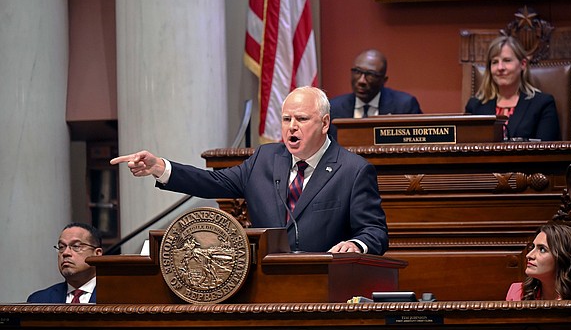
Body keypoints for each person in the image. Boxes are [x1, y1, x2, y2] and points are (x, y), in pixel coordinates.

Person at [110, 86, 389, 255]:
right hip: (263, 286)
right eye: (286, 119)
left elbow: (375, 232)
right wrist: (160, 167)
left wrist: (356, 245)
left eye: (302, 119)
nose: (292, 126)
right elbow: (212, 182)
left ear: (325, 123)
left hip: (324, 286)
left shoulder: (353, 171)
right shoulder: (265, 159)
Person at [465, 36, 561, 141]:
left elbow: (549, 151)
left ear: (523, 64)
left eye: (507, 60)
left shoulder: (542, 104)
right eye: (495, 62)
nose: (500, 67)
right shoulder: (474, 106)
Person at [329, 49, 422, 138]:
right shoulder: (333, 108)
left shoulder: (404, 106)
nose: (362, 81)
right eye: (357, 71)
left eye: (370, 74)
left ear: (384, 80)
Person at [506, 222, 571, 300]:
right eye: (533, 247)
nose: (529, 255)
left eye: (542, 249)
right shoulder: (517, 292)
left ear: (564, 258)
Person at [27, 222, 103, 303]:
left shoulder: (116, 295)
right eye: (61, 247)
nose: (65, 253)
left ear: (97, 254)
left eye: (76, 246)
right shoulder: (39, 300)